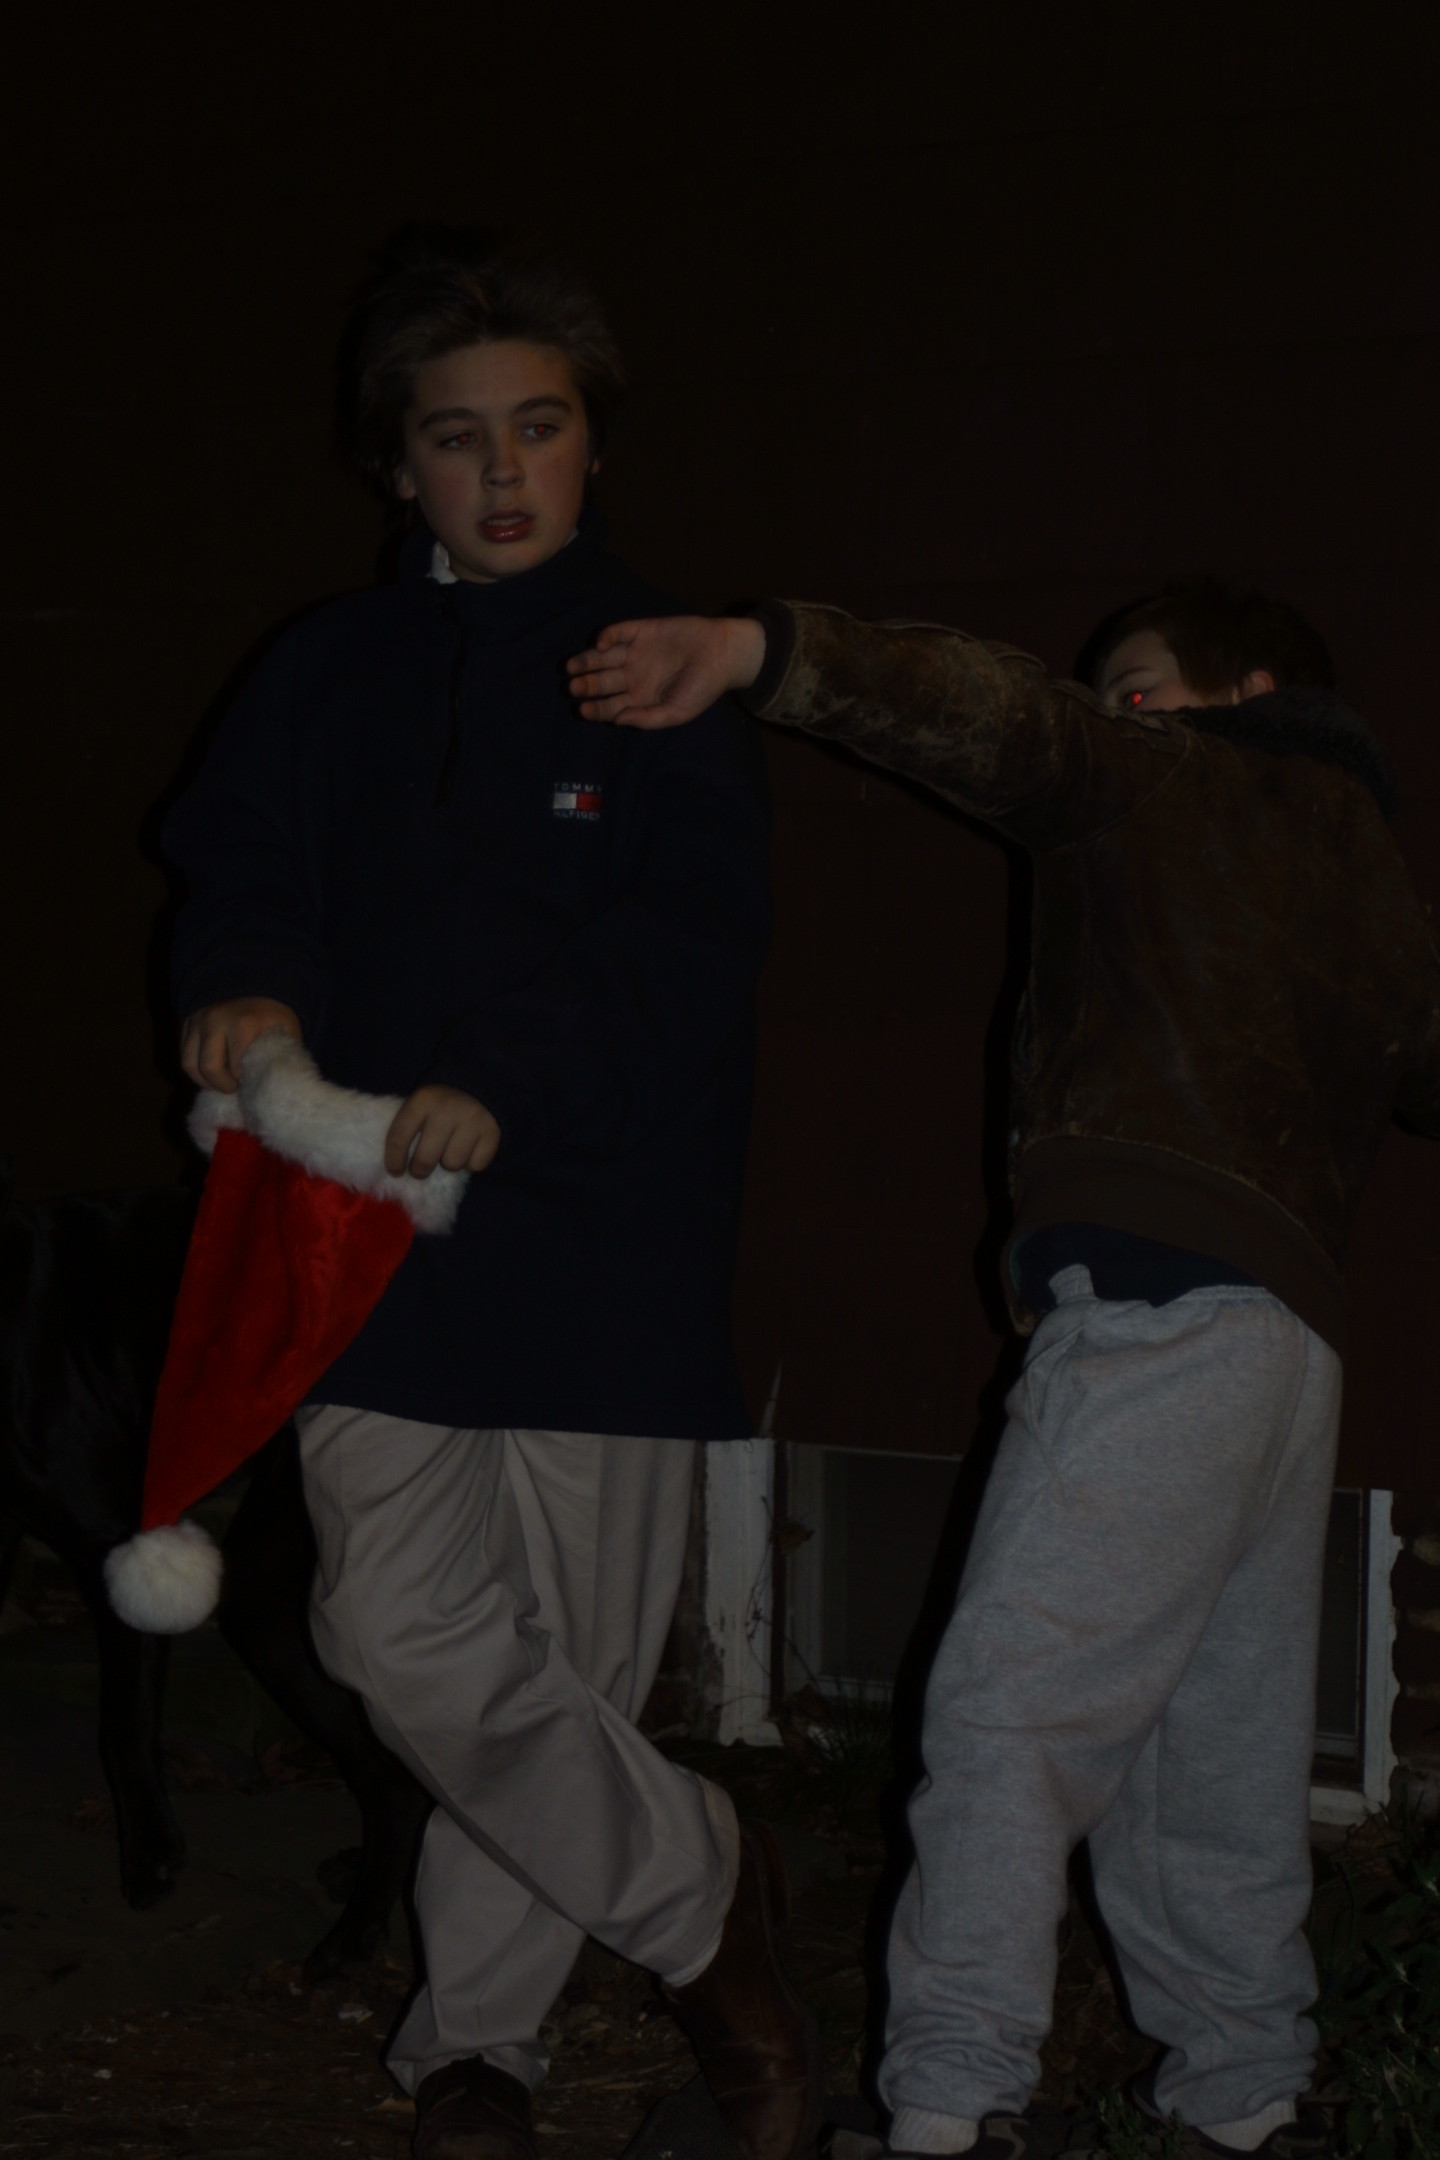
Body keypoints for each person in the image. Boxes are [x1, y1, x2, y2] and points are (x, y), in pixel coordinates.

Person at [566, 579, 1440, 2160]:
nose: (1110, 711)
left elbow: (991, 714)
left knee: (1009, 1716)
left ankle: (952, 2106)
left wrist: (761, 651)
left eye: (1136, 685)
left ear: (1243, 696)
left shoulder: (1165, 776)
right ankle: (1243, 2095)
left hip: (1157, 1317)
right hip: (1284, 1355)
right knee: (1210, 1763)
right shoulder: (1369, 884)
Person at [162, 227, 821, 2160]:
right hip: (362, 1223)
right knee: (398, 1637)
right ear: (401, 465)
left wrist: (507, 1081)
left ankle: (479, 2051)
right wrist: (246, 983)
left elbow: (692, 941)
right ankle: (709, 1903)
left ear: (594, 444)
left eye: (539, 427)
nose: (504, 470)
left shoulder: (659, 667)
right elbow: (242, 862)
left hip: (606, 1231)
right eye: (458, 437)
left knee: (563, 1674)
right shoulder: (322, 668)